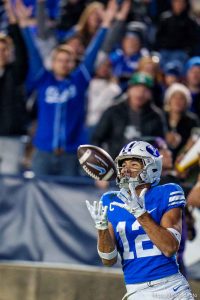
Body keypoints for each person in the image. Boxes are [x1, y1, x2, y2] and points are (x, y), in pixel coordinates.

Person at [86, 140, 194, 299]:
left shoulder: (167, 192)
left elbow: (169, 247)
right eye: (123, 164)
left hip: (171, 288)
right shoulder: (111, 200)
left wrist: (139, 212)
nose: (126, 170)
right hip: (136, 291)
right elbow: (108, 259)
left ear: (152, 168)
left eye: (134, 165)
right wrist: (101, 228)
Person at [92, 72, 166, 159]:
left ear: (150, 94)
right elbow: (97, 139)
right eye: (137, 88)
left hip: (144, 168)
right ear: (129, 90)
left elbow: (160, 144)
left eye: (145, 90)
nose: (140, 94)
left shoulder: (156, 116)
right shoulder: (113, 111)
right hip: (114, 164)